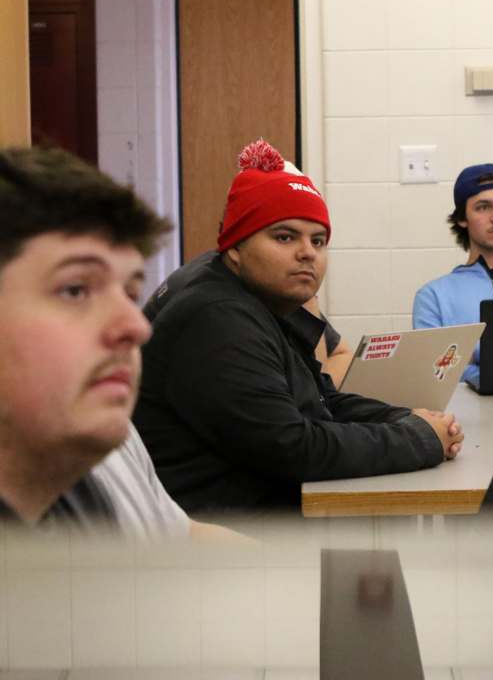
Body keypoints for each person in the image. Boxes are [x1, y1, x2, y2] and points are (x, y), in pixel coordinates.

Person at [134, 139, 463, 514]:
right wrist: (418, 439)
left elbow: (321, 401)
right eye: (284, 237)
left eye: (318, 241)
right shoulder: (215, 316)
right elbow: (293, 448)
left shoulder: (266, 301)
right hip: (226, 535)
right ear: (235, 248)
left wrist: (406, 419)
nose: (308, 252)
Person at [0, 146, 226, 539]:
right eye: (75, 290)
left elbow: (182, 537)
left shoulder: (86, 464)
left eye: (130, 293)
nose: (137, 327)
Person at [413, 162, 493, 384]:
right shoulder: (433, 296)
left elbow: (453, 366)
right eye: (483, 207)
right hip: (466, 407)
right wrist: (489, 376)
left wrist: (470, 360)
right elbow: (436, 372)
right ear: (462, 218)